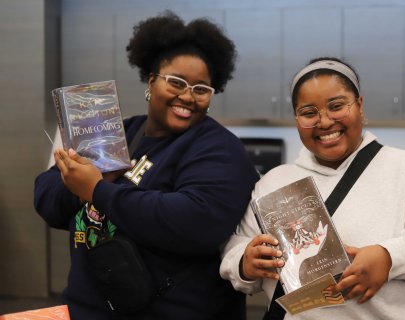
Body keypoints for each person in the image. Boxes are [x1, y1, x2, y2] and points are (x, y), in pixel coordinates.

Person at [34, 11, 259, 320]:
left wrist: (98, 189)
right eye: (176, 82)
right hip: (86, 309)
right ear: (151, 81)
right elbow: (46, 200)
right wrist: (76, 185)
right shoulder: (117, 132)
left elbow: (196, 222)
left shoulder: (219, 149)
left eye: (201, 89)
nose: (187, 96)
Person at [220, 57, 405, 319]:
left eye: (336, 106)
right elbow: (236, 247)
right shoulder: (273, 183)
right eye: (309, 112)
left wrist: (391, 258)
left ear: (360, 105)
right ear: (297, 118)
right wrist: (245, 262)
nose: (324, 122)